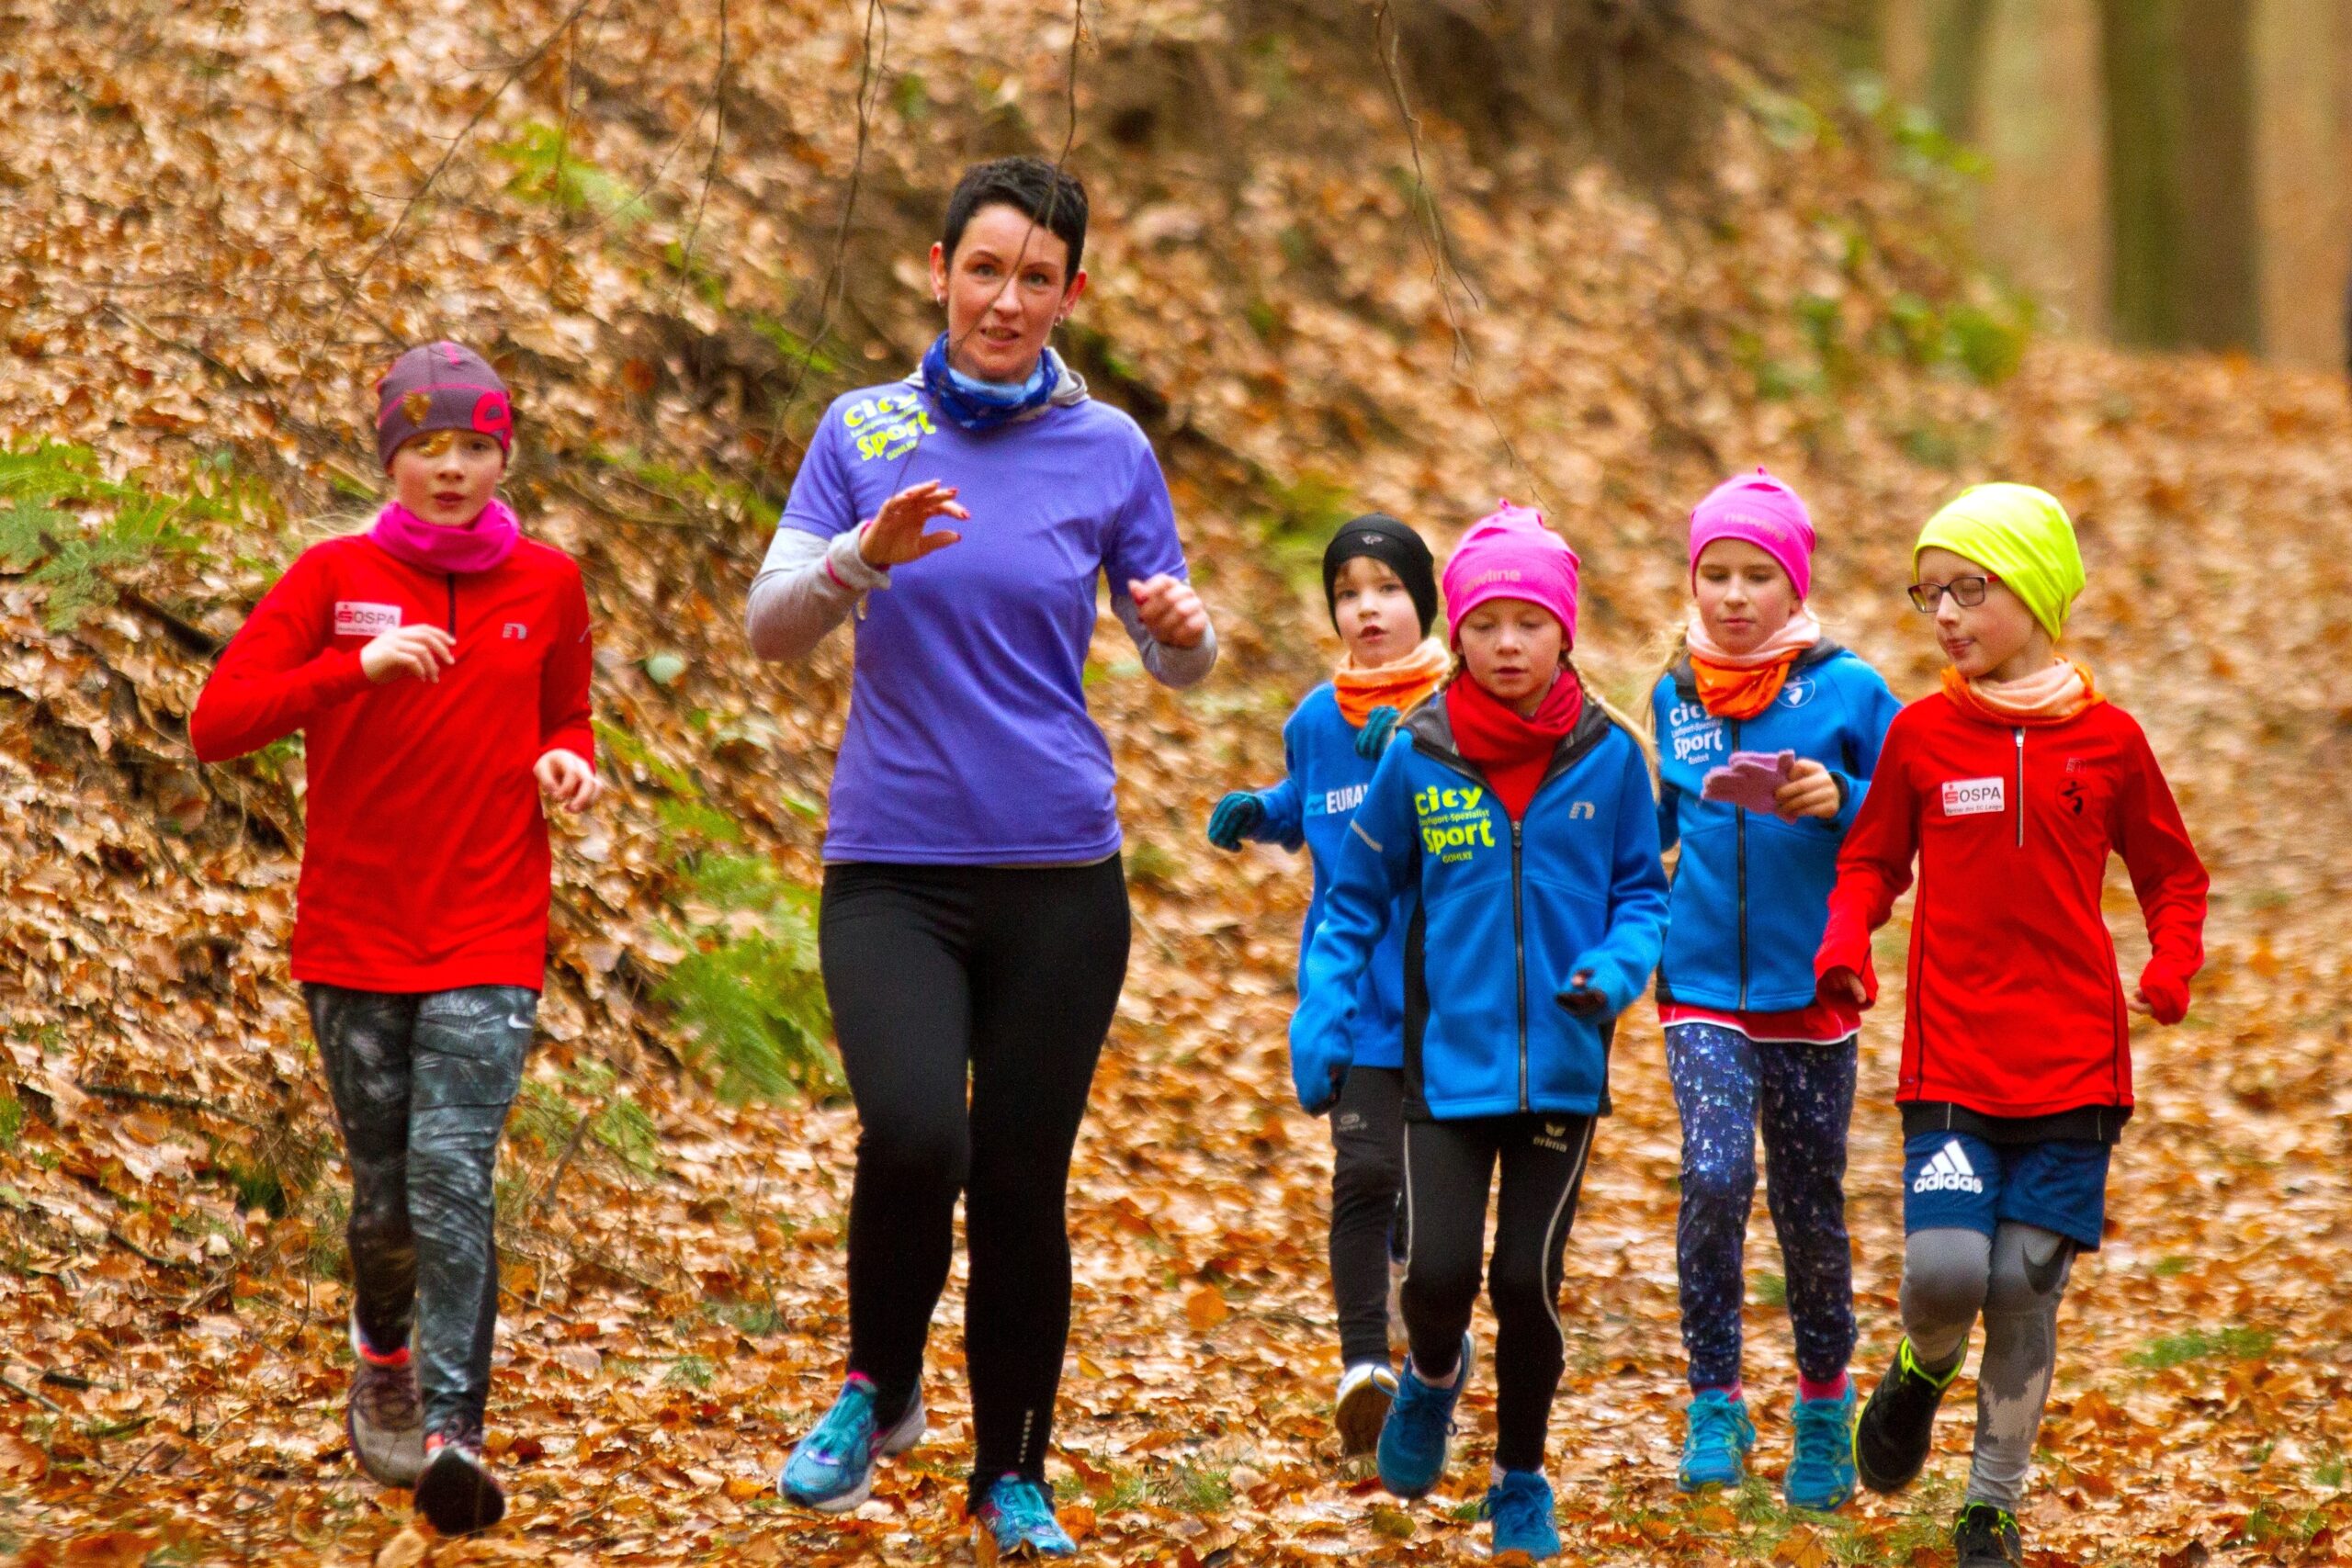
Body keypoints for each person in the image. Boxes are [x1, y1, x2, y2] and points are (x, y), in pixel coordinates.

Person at [743, 155, 1216, 1558]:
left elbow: (1179, 657)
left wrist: (1182, 629)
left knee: (1018, 1176)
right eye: (984, 267)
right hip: (891, 859)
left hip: (1061, 873)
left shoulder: (1111, 448)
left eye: (1037, 277)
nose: (1006, 299)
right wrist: (860, 557)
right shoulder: (863, 429)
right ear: (937, 268)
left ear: (1072, 291)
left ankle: (1013, 1470)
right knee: (914, 1129)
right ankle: (873, 1384)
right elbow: (772, 626)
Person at [190, 342, 599, 1536]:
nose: (456, 466)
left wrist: (569, 759)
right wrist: (349, 667)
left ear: (503, 453)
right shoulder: (331, 576)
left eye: (478, 444)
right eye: (431, 445)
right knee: (383, 1201)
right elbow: (216, 723)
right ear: (393, 454)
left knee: (451, 1175)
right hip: (355, 933)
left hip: (491, 924)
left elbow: (566, 709)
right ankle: (383, 1348)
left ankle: (453, 1433)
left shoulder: (549, 582)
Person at [1815, 484, 2208, 1568]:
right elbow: (1870, 861)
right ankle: (1918, 1371)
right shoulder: (1921, 735)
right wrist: (1844, 945)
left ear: (2030, 592)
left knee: (2024, 1285)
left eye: (1966, 590)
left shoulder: (2111, 742)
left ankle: (1989, 1503)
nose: (1941, 614)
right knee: (1947, 1275)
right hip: (1953, 1058)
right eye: (1927, 593)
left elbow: (2173, 877)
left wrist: (2170, 964)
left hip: (2075, 1067)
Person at [1287, 502, 1668, 1564]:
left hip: (1561, 1068)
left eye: (1529, 624)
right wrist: (1323, 1010)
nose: (1508, 644)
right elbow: (1354, 899)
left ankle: (1518, 1478)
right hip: (1439, 1068)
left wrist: (1616, 967)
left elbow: (1643, 894)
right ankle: (1432, 1375)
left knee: (1525, 1286)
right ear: (1454, 632)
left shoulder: (1610, 756)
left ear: (1565, 633)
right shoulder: (1418, 753)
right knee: (1438, 1277)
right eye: (1487, 623)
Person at [1646, 470, 1900, 1508]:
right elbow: (1643, 835)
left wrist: (1838, 798)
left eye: (1759, 575)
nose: (1736, 596)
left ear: (1795, 587)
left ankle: (1822, 1406)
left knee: (1806, 1207)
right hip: (1698, 979)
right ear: (1692, 582)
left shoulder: (1848, 689)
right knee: (1712, 1181)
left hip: (1810, 990)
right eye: (1717, 574)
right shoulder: (1674, 694)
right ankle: (1714, 1398)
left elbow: (1902, 826)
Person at [1204, 514, 1449, 1456]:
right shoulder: (1315, 718)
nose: (1366, 609)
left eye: (1385, 590)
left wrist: (1414, 754)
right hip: (1350, 990)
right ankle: (1363, 1369)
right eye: (1347, 594)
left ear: (1420, 601)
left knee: (1426, 1205)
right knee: (1363, 1173)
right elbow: (1307, 803)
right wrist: (1260, 814)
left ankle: (1434, 1356)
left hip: (1442, 991)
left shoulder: (1459, 701)